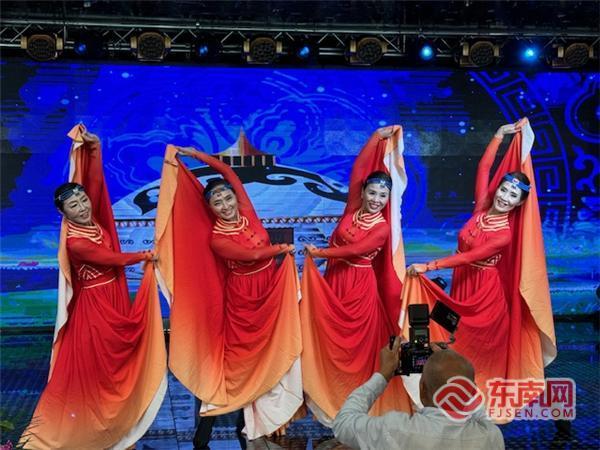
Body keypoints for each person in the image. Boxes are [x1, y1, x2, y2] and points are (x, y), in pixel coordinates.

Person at [20, 125, 167, 449]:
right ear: (63, 213)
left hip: (111, 299)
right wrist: (144, 255)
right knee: (100, 373)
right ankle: (94, 431)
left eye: (83, 200)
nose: (84, 207)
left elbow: (96, 184)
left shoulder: (92, 220)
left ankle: (118, 426)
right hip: (95, 309)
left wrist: (94, 148)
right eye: (75, 206)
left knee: (114, 368)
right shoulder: (75, 241)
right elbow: (110, 258)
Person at [154, 144, 303, 447]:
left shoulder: (247, 211)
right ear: (210, 208)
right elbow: (253, 255)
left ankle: (253, 419)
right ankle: (209, 421)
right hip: (243, 297)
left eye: (227, 197)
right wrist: (281, 249)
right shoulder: (217, 239)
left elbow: (227, 172)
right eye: (217, 202)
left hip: (269, 289)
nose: (225, 204)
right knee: (240, 360)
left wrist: (197, 156)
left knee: (269, 350)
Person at [404, 118, 556, 404]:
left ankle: (479, 397)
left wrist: (429, 266)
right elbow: (484, 169)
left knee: (475, 347)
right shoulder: (482, 208)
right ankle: (447, 393)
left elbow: (470, 256)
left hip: (484, 292)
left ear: (519, 203)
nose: (505, 197)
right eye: (504, 189)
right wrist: (498, 136)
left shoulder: (504, 235)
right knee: (452, 336)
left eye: (513, 195)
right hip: (463, 282)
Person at [301, 126, 412, 426]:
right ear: (362, 192)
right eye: (372, 192)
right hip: (335, 283)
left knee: (355, 349)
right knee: (329, 341)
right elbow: (358, 169)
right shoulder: (352, 210)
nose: (376, 199)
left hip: (359, 288)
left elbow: (355, 250)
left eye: (383, 195)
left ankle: (355, 406)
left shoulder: (382, 228)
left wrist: (320, 253)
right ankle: (328, 398)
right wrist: (376, 137)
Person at [332, 339, 505, 450]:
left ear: (422, 391)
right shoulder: (490, 437)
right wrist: (450, 363)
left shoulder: (395, 430)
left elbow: (343, 422)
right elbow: (480, 413)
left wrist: (384, 374)